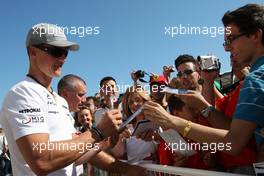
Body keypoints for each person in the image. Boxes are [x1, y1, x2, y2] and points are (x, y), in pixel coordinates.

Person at [0, 23, 133, 176]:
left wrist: (104, 143)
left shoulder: (60, 101)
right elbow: (42, 160)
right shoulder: (23, 93)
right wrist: (98, 132)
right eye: (56, 51)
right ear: (32, 51)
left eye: (65, 52)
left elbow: (76, 156)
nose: (62, 58)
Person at [142, 4, 264, 167]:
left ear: (255, 35)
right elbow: (234, 130)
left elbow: (234, 142)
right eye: (179, 74)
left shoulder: (255, 79)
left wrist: (171, 121)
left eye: (231, 39)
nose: (227, 47)